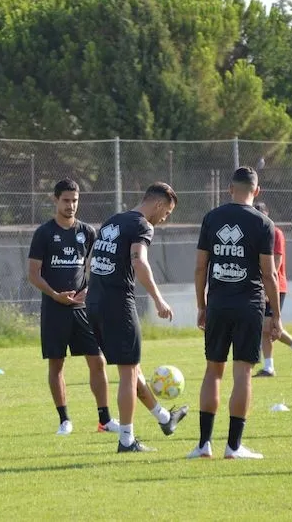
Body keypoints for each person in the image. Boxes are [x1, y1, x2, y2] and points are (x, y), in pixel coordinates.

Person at [188, 167, 283, 460]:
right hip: (248, 305)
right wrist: (276, 316)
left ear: (229, 188)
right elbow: (269, 274)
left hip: (217, 303)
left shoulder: (212, 218)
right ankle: (234, 446)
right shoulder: (264, 223)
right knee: (243, 372)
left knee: (213, 370)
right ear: (257, 191)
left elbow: (201, 266)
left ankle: (203, 445)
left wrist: (202, 306)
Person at [86, 182, 188, 453]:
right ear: (158, 204)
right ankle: (127, 440)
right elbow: (139, 261)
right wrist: (158, 298)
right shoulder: (143, 225)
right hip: (117, 303)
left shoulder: (112, 221)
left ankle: (165, 419)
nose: (165, 218)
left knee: (133, 369)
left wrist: (88, 290)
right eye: (166, 212)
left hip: (94, 302)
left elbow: (93, 260)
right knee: (129, 372)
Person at [27, 178, 119, 435]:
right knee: (56, 365)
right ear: (55, 200)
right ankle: (64, 420)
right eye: (66, 200)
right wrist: (55, 295)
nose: (71, 205)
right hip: (54, 309)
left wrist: (89, 290)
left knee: (98, 361)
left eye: (75, 200)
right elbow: (33, 274)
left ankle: (105, 420)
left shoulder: (88, 232)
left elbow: (98, 267)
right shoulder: (44, 233)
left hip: (82, 310)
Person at [252, 202, 292, 377]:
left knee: (269, 326)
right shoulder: (254, 234)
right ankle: (272, 365)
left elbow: (275, 265)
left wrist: (266, 287)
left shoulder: (275, 233)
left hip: (275, 285)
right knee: (265, 328)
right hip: (261, 285)